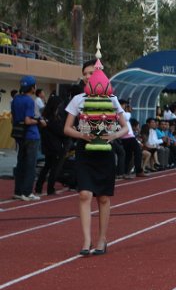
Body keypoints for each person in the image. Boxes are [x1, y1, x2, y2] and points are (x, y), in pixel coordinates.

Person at [64, 59, 129, 256]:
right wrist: (82, 135)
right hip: (85, 150)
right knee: (84, 194)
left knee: (102, 198)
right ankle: (86, 240)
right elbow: (66, 128)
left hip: (105, 152)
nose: (87, 76)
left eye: (91, 72)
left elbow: (125, 127)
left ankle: (102, 239)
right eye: (85, 73)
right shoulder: (78, 99)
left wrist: (114, 135)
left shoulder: (111, 99)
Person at [11, 76, 46, 201]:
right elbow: (28, 120)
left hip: (19, 135)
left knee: (21, 163)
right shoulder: (30, 101)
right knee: (31, 165)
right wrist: (39, 122)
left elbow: (13, 118)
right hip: (31, 135)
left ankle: (18, 191)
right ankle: (27, 192)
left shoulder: (15, 99)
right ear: (32, 87)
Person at [35, 95, 67, 196]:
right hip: (55, 146)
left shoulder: (45, 116)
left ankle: (39, 187)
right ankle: (50, 188)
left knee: (47, 166)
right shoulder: (53, 118)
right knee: (54, 168)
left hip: (47, 145)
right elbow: (60, 131)